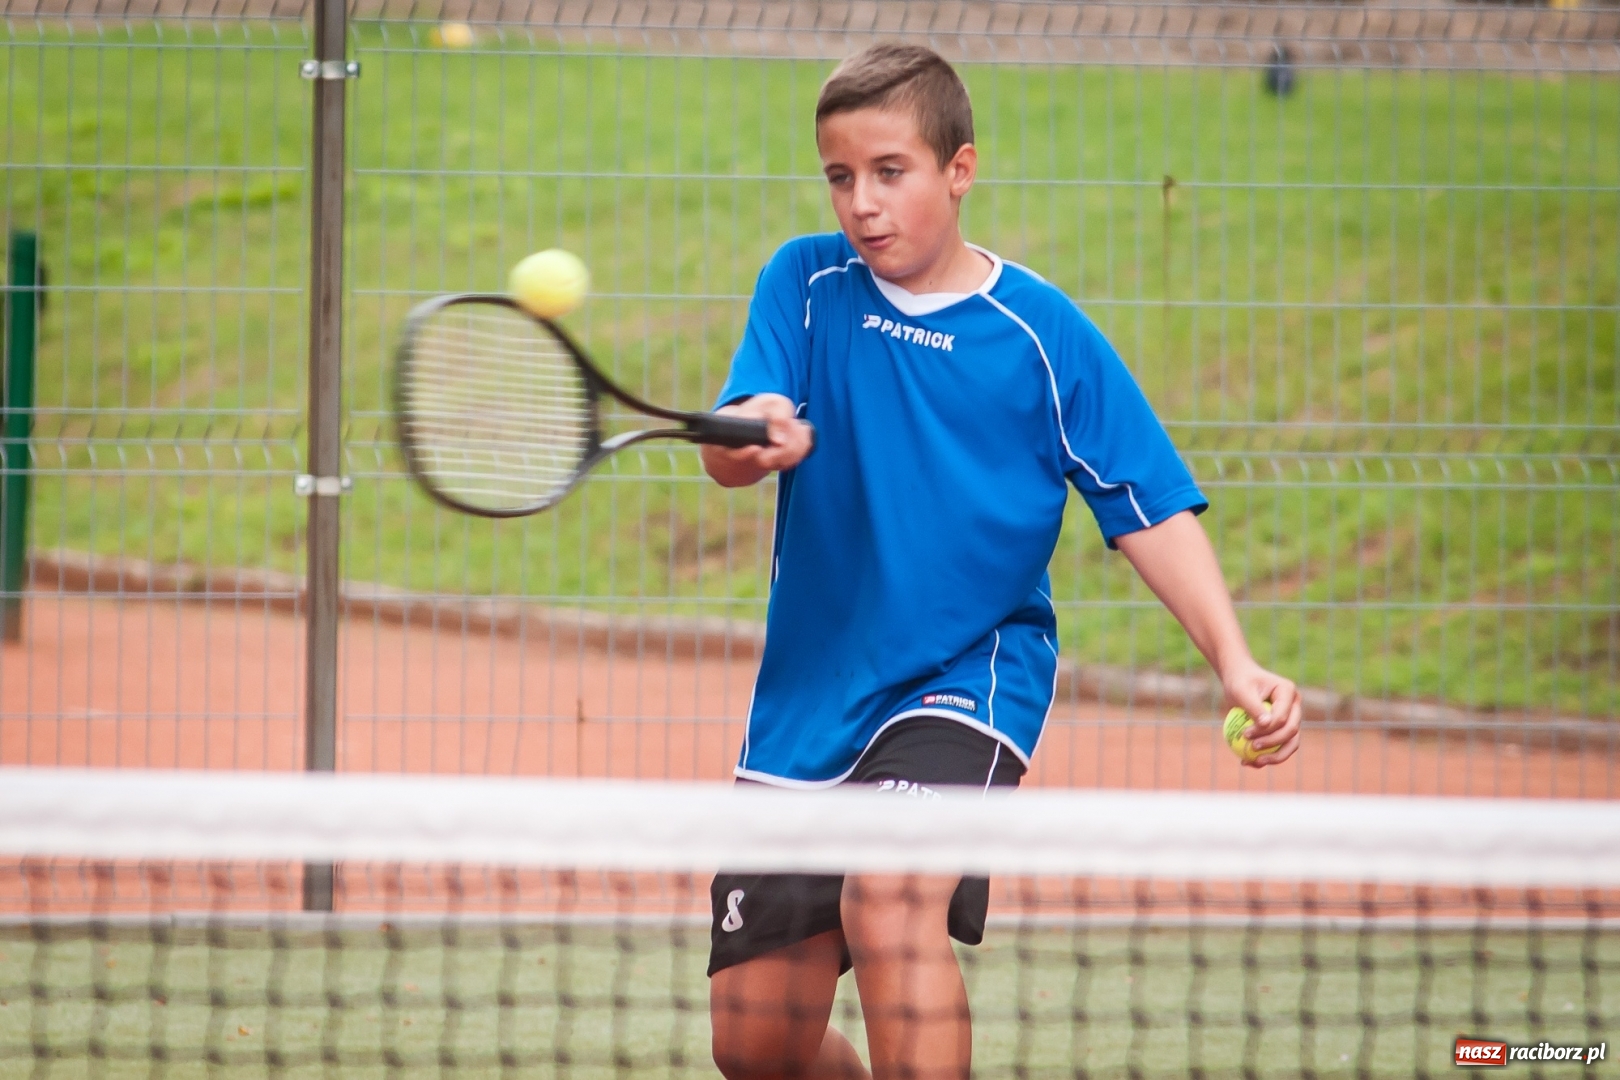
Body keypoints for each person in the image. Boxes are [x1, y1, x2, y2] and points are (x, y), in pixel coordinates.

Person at [699, 42, 1303, 1080]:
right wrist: (753, 429)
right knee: (756, 1048)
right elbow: (733, 444)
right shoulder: (803, 284)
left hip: (966, 679)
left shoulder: (1040, 335)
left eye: (891, 172)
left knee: (889, 894)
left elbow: (1148, 507)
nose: (862, 203)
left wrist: (1234, 662)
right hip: (809, 696)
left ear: (959, 170)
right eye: (840, 177)